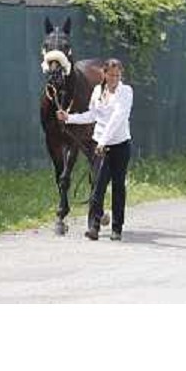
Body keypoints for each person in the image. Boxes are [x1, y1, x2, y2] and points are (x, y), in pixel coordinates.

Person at [57, 59, 133, 241]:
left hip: (120, 146)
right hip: (101, 146)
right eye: (111, 75)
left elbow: (118, 118)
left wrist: (102, 142)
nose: (115, 78)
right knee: (97, 187)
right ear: (104, 74)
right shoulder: (98, 91)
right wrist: (69, 118)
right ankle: (93, 227)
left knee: (118, 188)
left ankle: (116, 228)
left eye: (118, 75)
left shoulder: (126, 92)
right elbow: (92, 115)